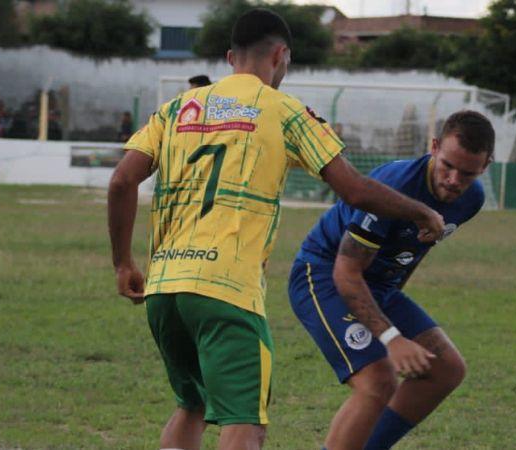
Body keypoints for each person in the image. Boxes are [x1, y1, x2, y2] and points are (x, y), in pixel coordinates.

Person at [106, 9, 445, 450]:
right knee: (247, 422)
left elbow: (121, 180)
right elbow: (355, 191)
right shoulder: (284, 111)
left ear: (230, 57)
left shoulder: (175, 109)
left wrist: (122, 263)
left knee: (191, 405)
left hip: (166, 287)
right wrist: (421, 212)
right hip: (226, 292)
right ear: (281, 55)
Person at [288, 111, 493, 450]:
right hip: (323, 274)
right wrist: (392, 337)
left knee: (446, 369)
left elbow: (407, 254)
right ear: (434, 146)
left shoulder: (471, 200)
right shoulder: (392, 187)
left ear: (485, 166)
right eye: (447, 166)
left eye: (467, 173)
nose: (454, 180)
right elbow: (346, 271)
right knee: (378, 381)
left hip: (378, 286)